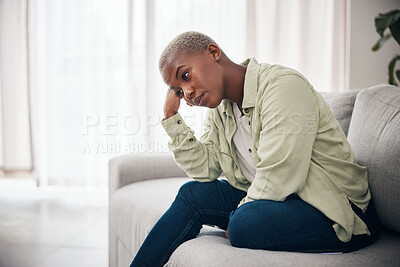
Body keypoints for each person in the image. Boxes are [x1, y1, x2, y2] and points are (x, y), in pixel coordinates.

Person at [130, 31, 380, 267]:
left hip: (336, 210)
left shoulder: (282, 86)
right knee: (192, 194)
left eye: (185, 76)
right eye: (178, 91)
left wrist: (241, 213)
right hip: (283, 201)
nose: (187, 93)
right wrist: (171, 117)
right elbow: (206, 170)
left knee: (243, 225)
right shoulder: (221, 110)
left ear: (213, 52)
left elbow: (280, 174)